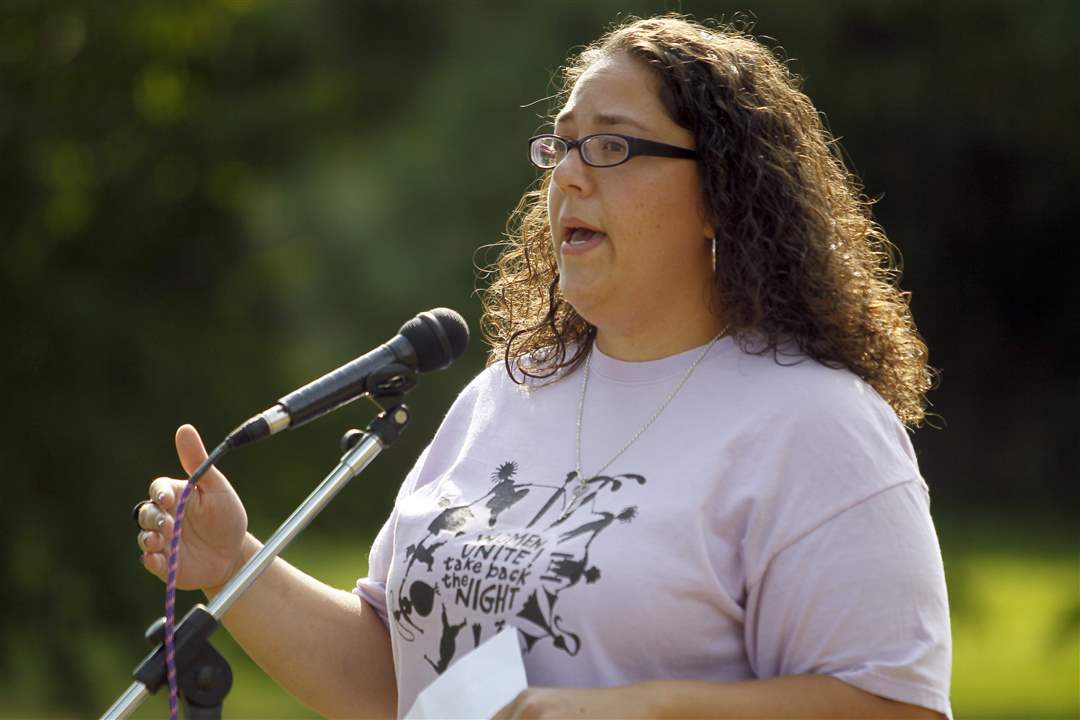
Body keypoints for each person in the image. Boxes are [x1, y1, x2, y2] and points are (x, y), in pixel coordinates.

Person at [134, 14, 951, 719]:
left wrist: (644, 708)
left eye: (609, 145)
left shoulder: (817, 424)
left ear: (720, 194)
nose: (566, 174)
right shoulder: (505, 396)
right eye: (560, 145)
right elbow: (392, 682)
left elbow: (896, 706)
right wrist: (235, 564)